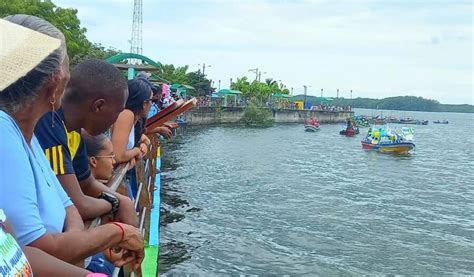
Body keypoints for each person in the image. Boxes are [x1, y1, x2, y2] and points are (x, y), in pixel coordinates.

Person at [0, 15, 143, 272]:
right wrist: (116, 231)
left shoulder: (27, 136)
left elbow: (67, 204)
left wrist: (74, 242)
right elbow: (41, 246)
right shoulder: (5, 130)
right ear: (55, 82)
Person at [34, 58, 138, 227]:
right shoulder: (50, 123)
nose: (114, 122)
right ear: (98, 106)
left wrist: (123, 200)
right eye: (117, 112)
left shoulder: (73, 131)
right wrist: (115, 203)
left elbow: (87, 183)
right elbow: (77, 202)